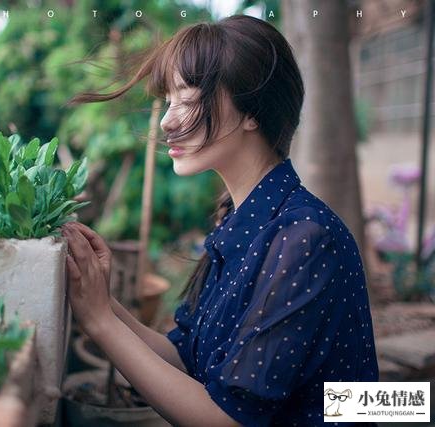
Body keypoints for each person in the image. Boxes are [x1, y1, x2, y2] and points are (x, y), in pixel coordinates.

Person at [61, 15, 379, 427]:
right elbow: (186, 359)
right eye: (170, 100)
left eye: (188, 99)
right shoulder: (240, 219)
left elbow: (228, 418)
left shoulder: (304, 237)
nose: (166, 121)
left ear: (252, 112)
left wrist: (100, 322)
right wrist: (103, 302)